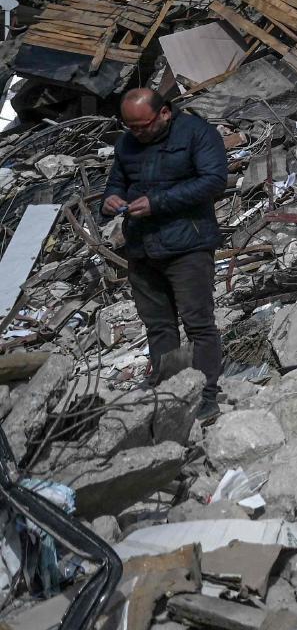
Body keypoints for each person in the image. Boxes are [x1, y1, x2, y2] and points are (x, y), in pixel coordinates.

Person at [101, 89, 230, 422]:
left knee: (198, 324)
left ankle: (205, 396)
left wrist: (158, 203)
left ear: (165, 113)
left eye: (143, 125)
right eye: (131, 127)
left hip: (187, 244)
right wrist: (112, 198)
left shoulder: (197, 134)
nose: (138, 133)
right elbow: (116, 180)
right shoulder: (127, 142)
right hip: (142, 248)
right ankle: (171, 395)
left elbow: (214, 181)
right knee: (158, 326)